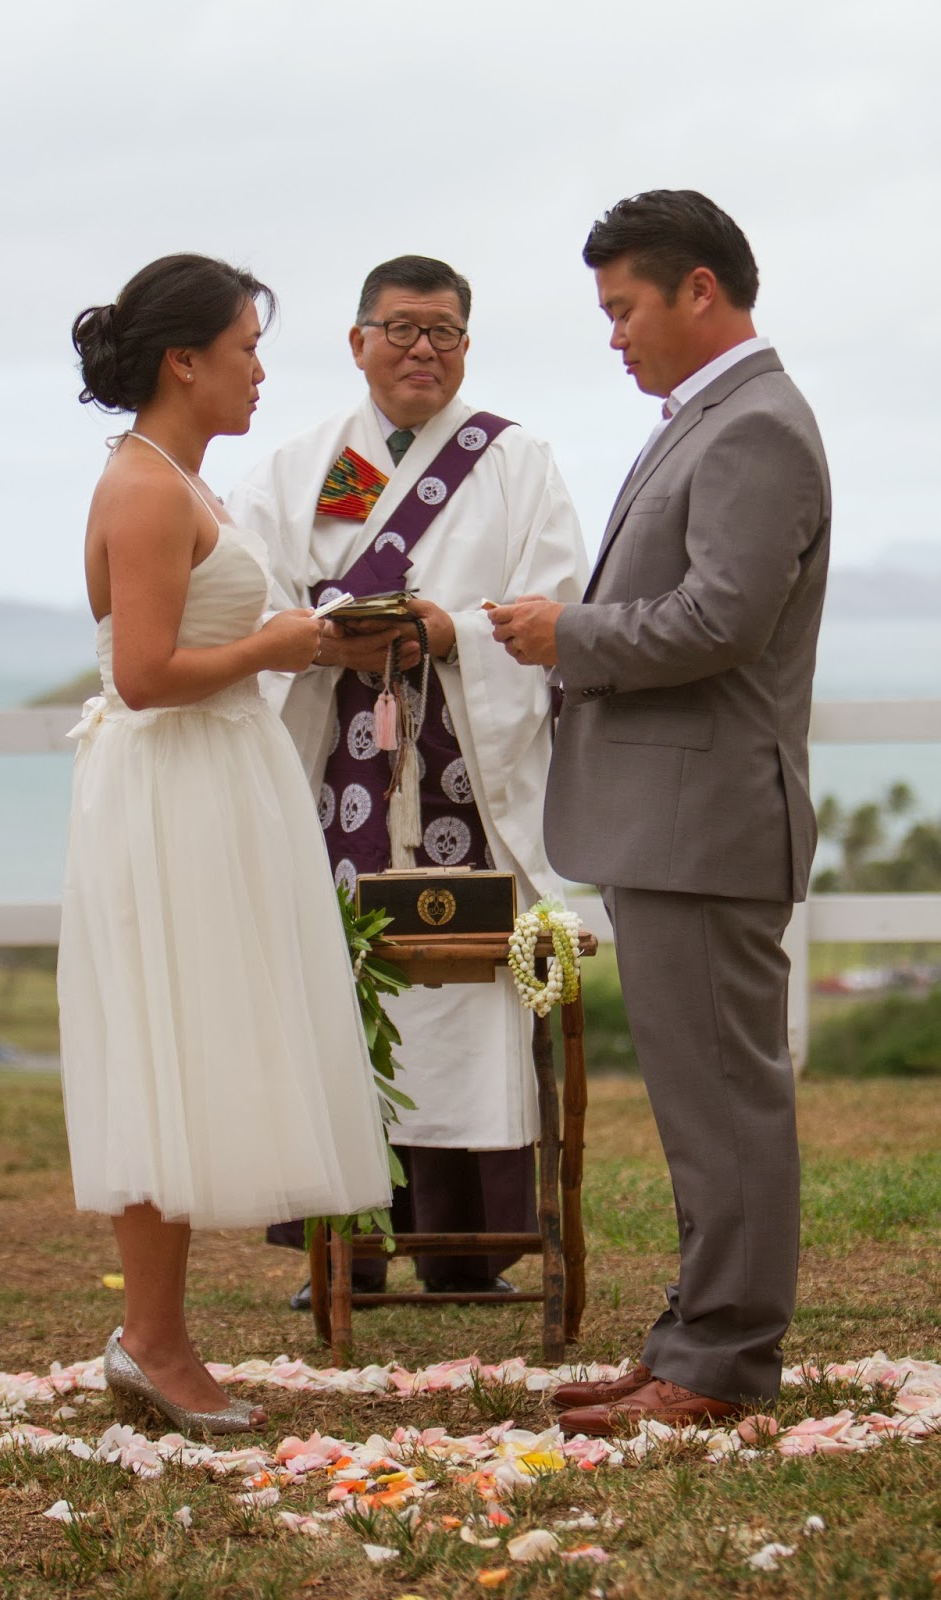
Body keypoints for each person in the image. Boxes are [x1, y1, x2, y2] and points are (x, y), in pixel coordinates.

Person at [492, 191, 831, 1432]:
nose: (614, 334)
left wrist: (565, 634)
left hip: (706, 823)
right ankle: (694, 1336)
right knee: (702, 1103)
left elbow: (717, 621)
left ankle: (721, 1359)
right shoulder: (713, 418)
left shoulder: (756, 427)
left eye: (623, 306)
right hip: (677, 821)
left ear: (699, 289)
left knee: (726, 1099)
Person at [59, 254, 391, 1434]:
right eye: (246, 349)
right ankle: (152, 1339)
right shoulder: (145, 487)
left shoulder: (182, 479)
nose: (259, 371)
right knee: (169, 1048)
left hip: (211, 778)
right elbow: (145, 675)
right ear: (182, 360)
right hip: (171, 789)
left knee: (195, 1047)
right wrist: (272, 648)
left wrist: (303, 639)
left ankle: (156, 1333)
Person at [228, 255, 590, 1306]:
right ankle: (346, 1249)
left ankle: (465, 1249)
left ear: (466, 344)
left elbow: (554, 602)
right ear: (358, 342)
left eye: (444, 331)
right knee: (339, 992)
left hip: (464, 771)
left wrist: (451, 631)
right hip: (333, 769)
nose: (422, 349)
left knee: (464, 998)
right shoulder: (297, 468)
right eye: (400, 329)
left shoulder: (517, 461)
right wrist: (317, 639)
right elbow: (248, 601)